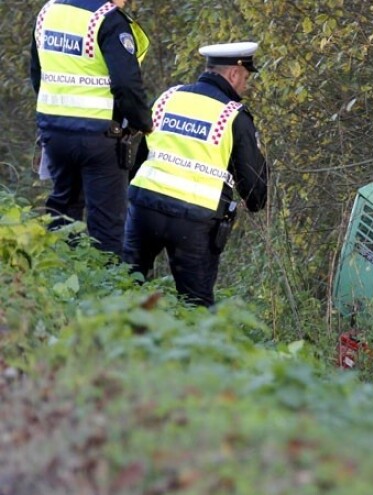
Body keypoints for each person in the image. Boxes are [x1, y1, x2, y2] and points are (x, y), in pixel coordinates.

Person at [123, 42, 269, 307]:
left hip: (145, 208)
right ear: (233, 74)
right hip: (194, 221)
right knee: (196, 304)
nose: (245, 87)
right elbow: (254, 186)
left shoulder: (169, 97)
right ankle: (190, 347)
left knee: (124, 283)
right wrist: (255, 200)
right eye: (246, 78)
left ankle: (109, 339)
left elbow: (141, 157)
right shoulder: (233, 115)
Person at [30, 0, 152, 258]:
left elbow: (37, 73)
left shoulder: (49, 11)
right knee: (106, 223)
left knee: (62, 207)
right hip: (99, 137)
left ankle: (61, 276)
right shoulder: (108, 20)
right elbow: (126, 84)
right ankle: (107, 290)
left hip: (54, 130)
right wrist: (143, 122)